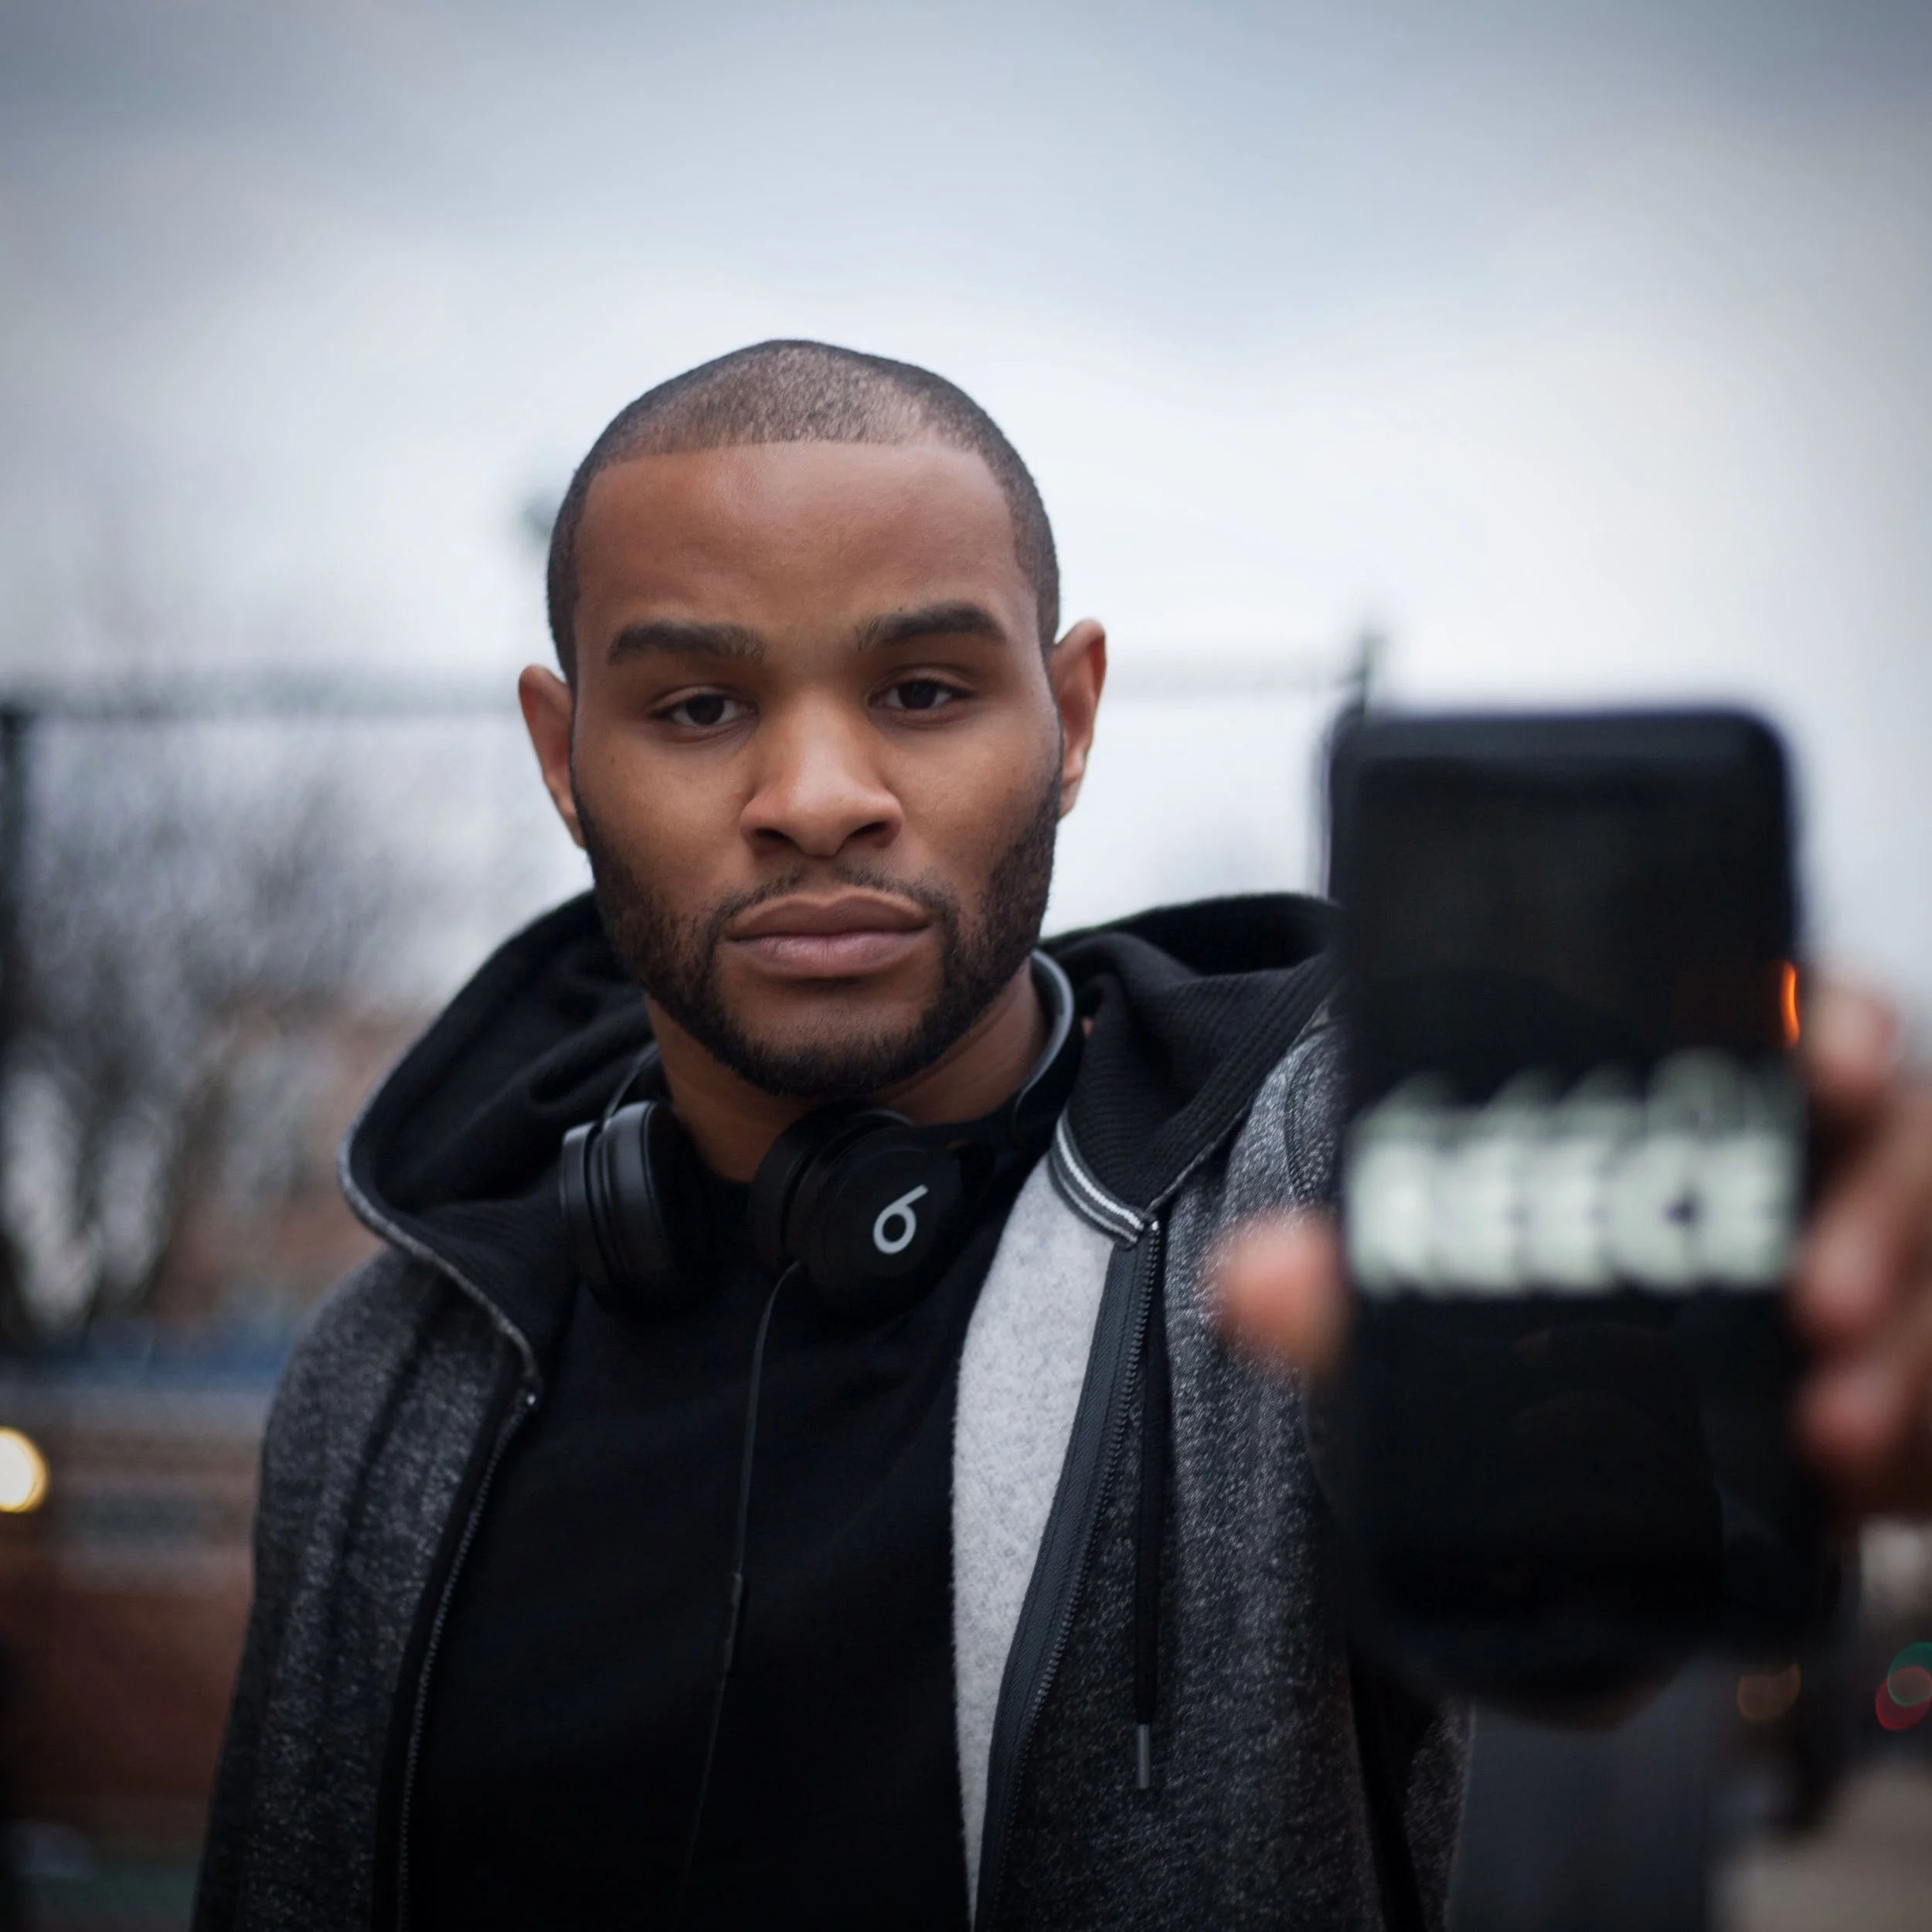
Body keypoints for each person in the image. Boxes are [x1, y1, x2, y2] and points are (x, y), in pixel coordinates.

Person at [192, 341, 1932, 1932]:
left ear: (1073, 714)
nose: (815, 793)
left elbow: (1631, 1544)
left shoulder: (1311, 1193)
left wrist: (1768, 1346)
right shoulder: (384, 1377)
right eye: (699, 707)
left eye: (925, 689)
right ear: (562, 754)